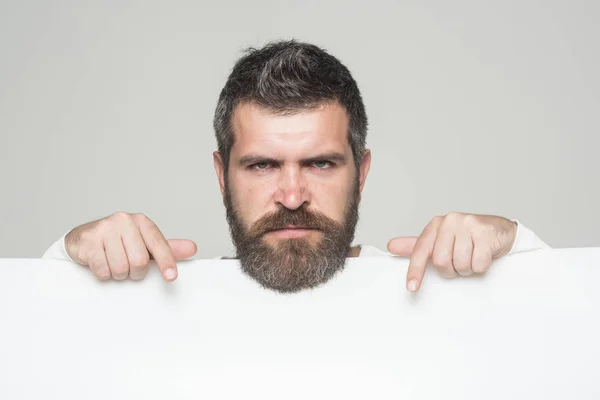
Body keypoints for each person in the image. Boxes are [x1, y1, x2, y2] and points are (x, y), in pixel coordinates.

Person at [42, 40, 550, 293]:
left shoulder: (435, 292)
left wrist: (513, 241)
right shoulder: (160, 298)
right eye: (262, 165)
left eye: (321, 163)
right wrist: (71, 254)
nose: (291, 196)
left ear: (362, 171)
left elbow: (567, 336)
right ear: (222, 176)